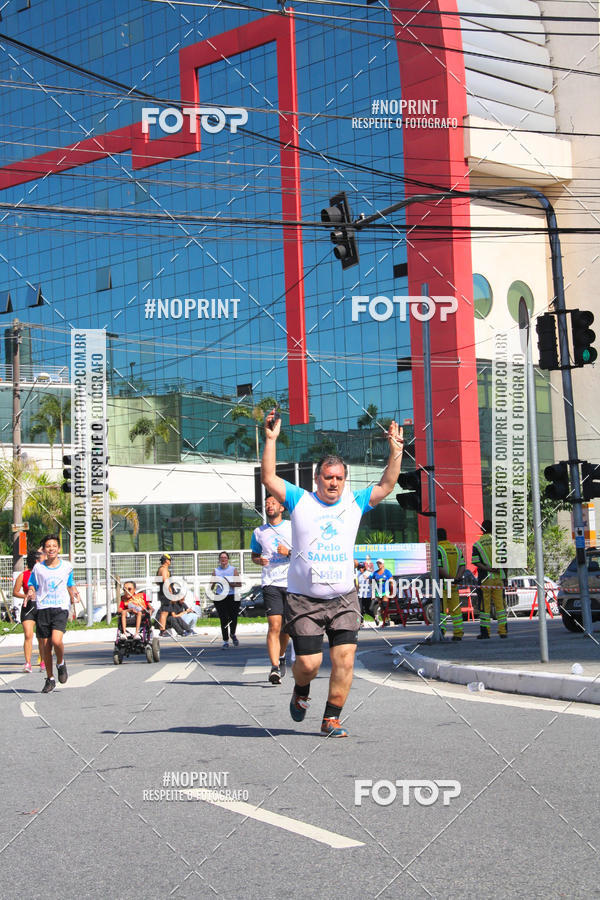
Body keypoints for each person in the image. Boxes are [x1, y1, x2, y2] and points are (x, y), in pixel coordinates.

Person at [262, 409, 403, 738]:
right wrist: (271, 440)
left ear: (345, 479)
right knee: (309, 665)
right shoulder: (299, 500)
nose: (334, 483)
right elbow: (269, 479)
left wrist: (396, 450)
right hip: (304, 599)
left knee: (345, 659)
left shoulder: (354, 502)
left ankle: (331, 718)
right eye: (328, 478)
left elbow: (387, 483)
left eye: (339, 478)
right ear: (317, 479)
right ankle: (301, 689)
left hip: (344, 598)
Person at [26, 534, 80, 693]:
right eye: (48, 546)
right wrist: (30, 591)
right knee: (45, 647)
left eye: (54, 546)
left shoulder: (67, 566)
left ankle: (61, 663)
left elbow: (70, 583)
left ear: (58, 548)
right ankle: (50, 678)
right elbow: (32, 584)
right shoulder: (38, 568)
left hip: (60, 608)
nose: (51, 549)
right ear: (44, 549)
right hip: (43, 608)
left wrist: (74, 591)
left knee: (56, 641)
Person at [251, 495, 292, 684]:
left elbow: (305, 552)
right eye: (266, 504)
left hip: (292, 582)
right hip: (270, 583)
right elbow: (254, 555)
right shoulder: (259, 532)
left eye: (273, 503)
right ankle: (274, 668)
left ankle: (282, 655)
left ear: (281, 508)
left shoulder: (292, 527)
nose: (269, 506)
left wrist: (289, 553)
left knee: (286, 628)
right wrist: (258, 560)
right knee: (274, 626)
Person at [472, 519, 508, 639]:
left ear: (481, 530)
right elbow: (505, 562)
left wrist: (488, 568)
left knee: (484, 606)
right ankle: (503, 631)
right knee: (500, 606)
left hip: (485, 579)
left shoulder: (477, 544)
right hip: (499, 579)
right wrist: (505, 577)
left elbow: (476, 562)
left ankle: (485, 633)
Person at [13, 549, 40, 673]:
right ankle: (28, 663)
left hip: (41, 607)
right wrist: (26, 596)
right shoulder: (23, 575)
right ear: (36, 560)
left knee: (42, 636)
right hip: (28, 607)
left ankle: (43, 660)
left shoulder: (43, 574)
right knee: (28, 635)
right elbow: (15, 592)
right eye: (41, 559)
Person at [436, 528, 465, 641]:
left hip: (443, 585)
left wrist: (450, 578)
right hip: (454, 586)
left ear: (436, 537)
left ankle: (441, 633)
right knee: (456, 611)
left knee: (442, 610)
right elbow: (463, 566)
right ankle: (458, 634)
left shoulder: (438, 549)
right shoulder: (456, 549)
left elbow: (438, 568)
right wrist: (457, 578)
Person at [211, 551, 241, 648]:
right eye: (221, 558)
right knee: (223, 619)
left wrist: (229, 583)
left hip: (232, 596)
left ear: (228, 559)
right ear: (219, 560)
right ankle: (225, 640)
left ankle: (232, 633)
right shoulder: (216, 570)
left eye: (225, 558)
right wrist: (213, 584)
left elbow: (239, 584)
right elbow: (212, 586)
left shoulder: (233, 570)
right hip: (220, 597)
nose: (223, 559)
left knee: (233, 618)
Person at [369, 558, 393, 626]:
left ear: (383, 564)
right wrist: (372, 593)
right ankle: (384, 621)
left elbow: (392, 583)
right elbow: (371, 582)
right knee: (381, 607)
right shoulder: (375, 573)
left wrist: (392, 592)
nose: (379, 565)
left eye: (380, 563)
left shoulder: (387, 572)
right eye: (377, 563)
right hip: (378, 592)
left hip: (386, 591)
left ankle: (388, 619)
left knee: (385, 605)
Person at [156, 553, 173, 636]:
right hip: (165, 592)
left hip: (162, 591)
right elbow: (165, 580)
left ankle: (163, 628)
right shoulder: (164, 569)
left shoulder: (160, 569)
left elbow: (157, 582)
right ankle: (162, 630)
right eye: (169, 560)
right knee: (164, 612)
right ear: (166, 561)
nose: (170, 561)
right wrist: (170, 590)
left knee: (165, 611)